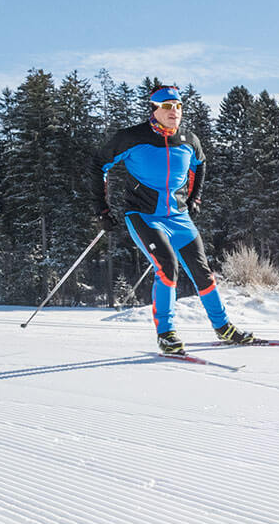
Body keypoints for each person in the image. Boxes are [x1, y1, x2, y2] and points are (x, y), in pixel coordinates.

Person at [97, 85, 256, 353]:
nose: (175, 111)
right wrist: (101, 209)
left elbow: (200, 164)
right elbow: (98, 165)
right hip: (145, 215)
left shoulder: (188, 139)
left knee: (202, 272)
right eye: (168, 106)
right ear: (154, 109)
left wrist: (195, 198)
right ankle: (166, 334)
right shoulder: (131, 137)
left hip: (179, 217)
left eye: (179, 106)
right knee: (167, 266)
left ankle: (223, 328)